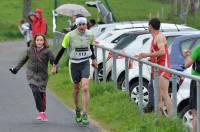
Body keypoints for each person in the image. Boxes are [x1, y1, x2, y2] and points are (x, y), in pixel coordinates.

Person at [52, 16, 98, 125]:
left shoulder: (90, 34)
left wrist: (94, 59)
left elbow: (90, 47)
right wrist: (55, 64)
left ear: (86, 25)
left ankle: (85, 114)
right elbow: (62, 50)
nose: (82, 27)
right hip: (74, 64)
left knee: (85, 87)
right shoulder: (69, 36)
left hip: (85, 62)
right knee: (76, 89)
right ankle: (77, 109)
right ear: (76, 25)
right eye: (80, 25)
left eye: (84, 24)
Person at [9, 34, 55, 121]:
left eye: (41, 40)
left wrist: (55, 68)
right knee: (35, 90)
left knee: (41, 94)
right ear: (34, 41)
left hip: (43, 76)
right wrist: (15, 69)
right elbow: (22, 60)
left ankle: (43, 113)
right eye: (37, 40)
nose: (39, 42)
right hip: (31, 75)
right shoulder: (30, 50)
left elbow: (54, 62)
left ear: (44, 41)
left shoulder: (47, 51)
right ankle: (41, 112)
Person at [136, 18, 172, 116]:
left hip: (163, 69)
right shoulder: (155, 37)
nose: (148, 27)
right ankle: (159, 120)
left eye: (148, 26)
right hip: (157, 69)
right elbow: (156, 54)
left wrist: (146, 54)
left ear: (151, 26)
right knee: (158, 97)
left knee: (164, 95)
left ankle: (172, 120)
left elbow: (162, 52)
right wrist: (146, 57)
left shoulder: (159, 37)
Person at [184, 46, 200, 132]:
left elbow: (187, 65)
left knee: (195, 112)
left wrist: (186, 56)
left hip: (197, 81)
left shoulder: (198, 48)